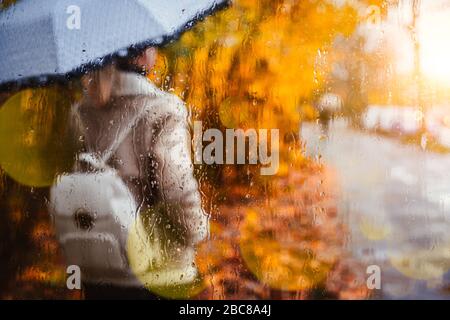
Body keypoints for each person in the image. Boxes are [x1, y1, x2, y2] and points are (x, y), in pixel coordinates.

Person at [71, 47, 208, 299]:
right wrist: (195, 231)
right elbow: (175, 186)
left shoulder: (81, 113)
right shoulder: (163, 109)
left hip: (99, 265)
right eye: (153, 45)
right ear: (141, 53)